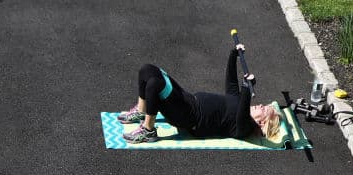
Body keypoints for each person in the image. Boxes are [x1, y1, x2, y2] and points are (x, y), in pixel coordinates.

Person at [116, 44, 281, 144]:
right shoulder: (238, 102)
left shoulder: (244, 128)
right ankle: (142, 111)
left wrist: (246, 88)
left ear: (261, 122)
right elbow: (231, 83)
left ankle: (148, 130)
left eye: (264, 109)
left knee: (155, 85)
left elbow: (242, 113)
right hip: (189, 100)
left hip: (188, 117)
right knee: (148, 70)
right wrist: (234, 55)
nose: (261, 105)